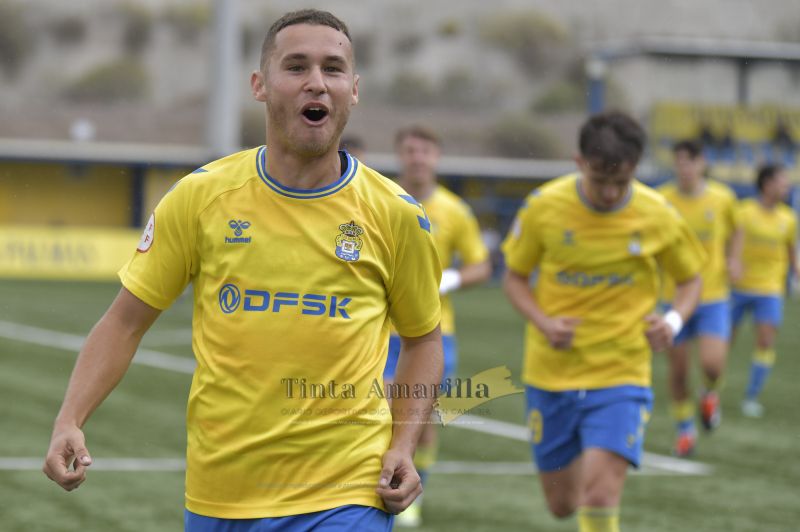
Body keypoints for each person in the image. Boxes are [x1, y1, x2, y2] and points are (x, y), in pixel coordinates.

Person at [42, 9, 444, 532]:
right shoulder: (201, 197)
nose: (317, 82)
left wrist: (403, 444)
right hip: (220, 495)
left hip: (347, 491)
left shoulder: (396, 215)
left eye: (333, 68)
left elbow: (423, 340)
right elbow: (124, 322)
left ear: (354, 89)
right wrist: (70, 418)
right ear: (259, 84)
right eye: (296, 67)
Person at [502, 111, 704, 532]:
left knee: (599, 495)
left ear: (636, 168)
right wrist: (544, 322)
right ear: (579, 162)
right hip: (551, 374)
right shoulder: (543, 207)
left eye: (622, 182)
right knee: (562, 504)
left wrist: (672, 321)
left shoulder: (658, 214)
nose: (611, 193)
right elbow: (515, 278)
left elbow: (690, 279)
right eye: (600, 180)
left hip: (621, 373)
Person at [383, 125, 491, 527]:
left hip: (433, 333)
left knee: (420, 421)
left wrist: (453, 278)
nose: (418, 158)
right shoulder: (381, 199)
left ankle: (412, 495)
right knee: (382, 415)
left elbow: (482, 264)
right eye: (410, 150)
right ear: (400, 155)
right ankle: (376, 487)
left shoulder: (455, 210)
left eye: (425, 151)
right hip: (383, 330)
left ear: (436, 157)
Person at [658, 139, 742, 457]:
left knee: (712, 365)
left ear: (702, 163)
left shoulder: (723, 198)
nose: (684, 168)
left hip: (713, 296)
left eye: (690, 161)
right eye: (679, 161)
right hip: (674, 299)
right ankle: (685, 431)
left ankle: (709, 395)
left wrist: (734, 259)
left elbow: (737, 230)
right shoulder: (662, 200)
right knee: (679, 372)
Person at [731, 164, 798, 418]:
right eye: (782, 182)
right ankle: (710, 390)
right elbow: (729, 244)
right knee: (724, 342)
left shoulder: (788, 218)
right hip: (738, 289)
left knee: (766, 341)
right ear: (767, 184)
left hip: (770, 289)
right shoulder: (743, 212)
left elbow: (791, 253)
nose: (786, 187)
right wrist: (731, 263)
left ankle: (751, 396)